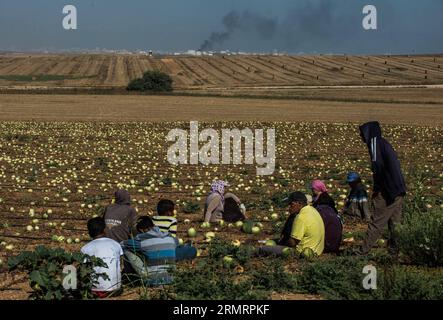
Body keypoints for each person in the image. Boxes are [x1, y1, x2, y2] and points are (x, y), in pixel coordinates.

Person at [358, 121, 406, 255]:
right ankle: (394, 252)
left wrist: (377, 190)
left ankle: (363, 251)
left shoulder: (375, 143)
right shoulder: (383, 143)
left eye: (362, 134)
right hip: (398, 188)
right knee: (395, 223)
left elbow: (378, 167)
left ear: (368, 133)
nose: (361, 137)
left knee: (377, 221)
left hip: (388, 189)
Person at [259, 192, 325, 257]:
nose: (289, 207)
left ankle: (255, 251)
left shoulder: (300, 217)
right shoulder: (313, 210)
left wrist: (282, 243)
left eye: (291, 204)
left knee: (264, 249)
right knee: (276, 241)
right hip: (317, 251)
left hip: (301, 252)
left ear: (299, 203)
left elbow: (292, 243)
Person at [121, 216, 177, 286]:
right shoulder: (170, 237)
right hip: (171, 278)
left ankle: (129, 279)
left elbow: (123, 244)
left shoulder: (142, 240)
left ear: (142, 230)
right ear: (153, 225)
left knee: (126, 249)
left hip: (152, 280)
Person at [81, 217, 123, 298]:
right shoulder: (116, 244)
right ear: (104, 230)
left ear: (89, 233)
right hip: (116, 290)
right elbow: (120, 265)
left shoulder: (85, 248)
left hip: (96, 291)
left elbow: (85, 271)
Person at [310, 180, 343, 254]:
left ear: (318, 189)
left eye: (313, 189)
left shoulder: (324, 199)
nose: (312, 190)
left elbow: (323, 213)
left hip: (327, 220)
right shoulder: (316, 197)